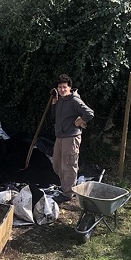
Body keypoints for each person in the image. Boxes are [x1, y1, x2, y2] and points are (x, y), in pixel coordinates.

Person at [50, 74, 94, 202]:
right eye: (60, 87)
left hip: (71, 137)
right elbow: (54, 116)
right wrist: (54, 101)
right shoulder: (61, 99)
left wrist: (79, 121)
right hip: (60, 136)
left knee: (69, 165)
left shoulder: (75, 100)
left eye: (64, 87)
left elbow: (89, 113)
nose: (62, 89)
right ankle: (66, 186)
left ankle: (68, 193)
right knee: (57, 164)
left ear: (69, 87)